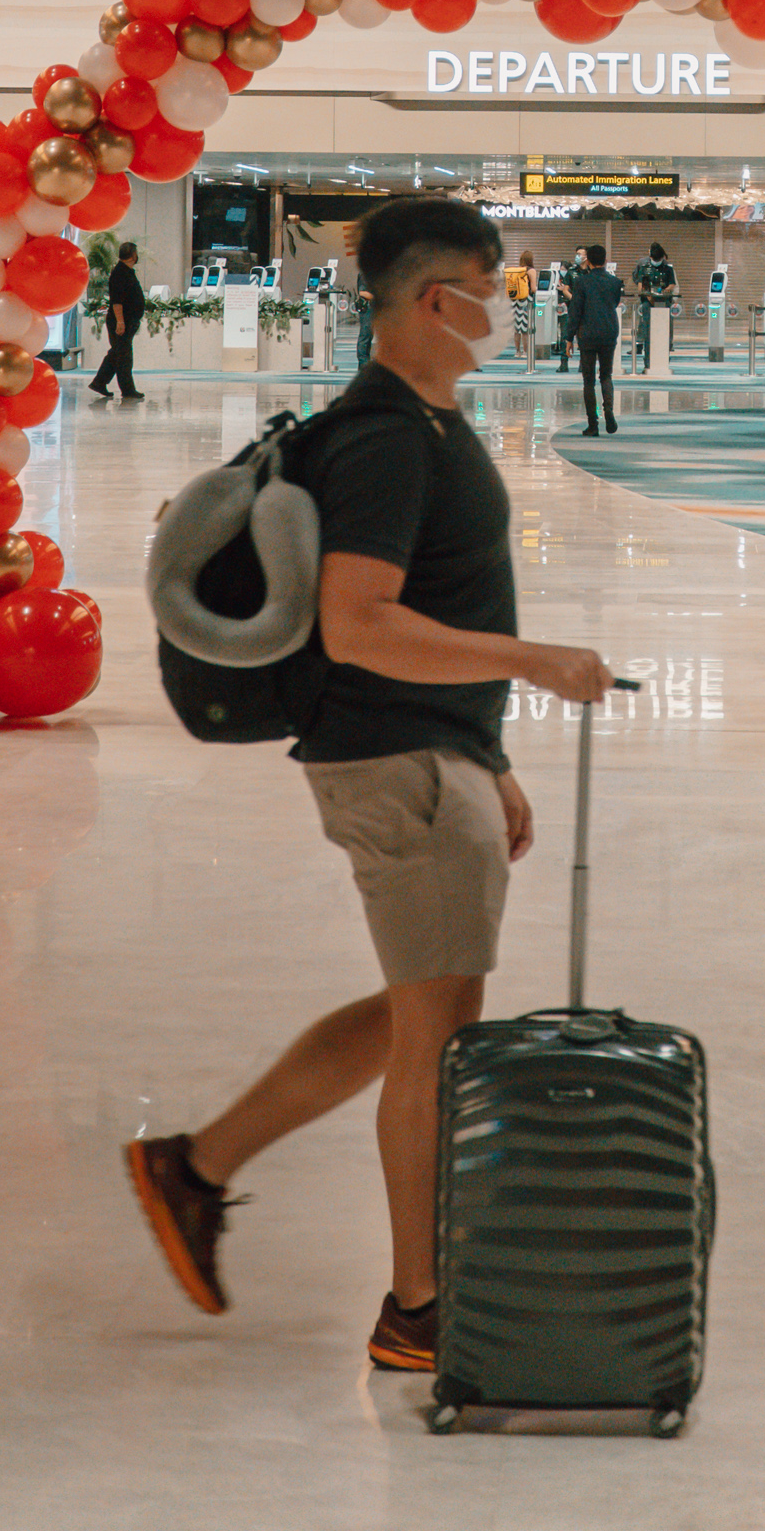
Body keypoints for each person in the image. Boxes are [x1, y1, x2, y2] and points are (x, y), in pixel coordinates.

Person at [124, 196, 618, 1373]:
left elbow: (435, 605)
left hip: (426, 750)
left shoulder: (432, 423)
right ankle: (417, 1306)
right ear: (431, 298)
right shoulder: (387, 436)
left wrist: (488, 753)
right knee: (440, 1041)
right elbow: (359, 626)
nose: (505, 304)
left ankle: (192, 1167)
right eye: (489, 285)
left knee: (419, 1011)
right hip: (391, 754)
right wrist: (532, 664)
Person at [566, 243, 624, 437]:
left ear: (588, 261)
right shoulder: (615, 282)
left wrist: (569, 337)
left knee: (588, 380)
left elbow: (575, 311)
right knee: (606, 376)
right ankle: (609, 410)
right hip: (609, 331)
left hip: (587, 334)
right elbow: (614, 303)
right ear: (605, 261)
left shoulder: (582, 282)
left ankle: (593, 424)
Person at [88, 241, 145, 401]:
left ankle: (99, 382)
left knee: (117, 353)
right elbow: (117, 301)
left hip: (128, 320)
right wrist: (120, 322)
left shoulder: (126, 271)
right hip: (122, 321)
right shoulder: (120, 273)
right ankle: (127, 390)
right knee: (124, 356)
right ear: (133, 255)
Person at [632, 240, 677, 369]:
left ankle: (663, 361)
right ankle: (648, 362)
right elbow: (641, 287)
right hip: (648, 304)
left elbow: (672, 284)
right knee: (648, 333)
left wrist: (666, 291)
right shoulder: (645, 268)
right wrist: (649, 296)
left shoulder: (668, 268)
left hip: (663, 303)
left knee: (664, 333)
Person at [554, 248, 584, 372]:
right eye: (576, 254)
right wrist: (574, 299)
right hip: (570, 307)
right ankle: (563, 363)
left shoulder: (589, 272)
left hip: (584, 310)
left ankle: (583, 364)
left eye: (580, 254)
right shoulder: (571, 272)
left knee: (582, 337)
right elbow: (566, 289)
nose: (577, 256)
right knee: (566, 335)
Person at [505, 248, 536, 360]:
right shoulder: (531, 270)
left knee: (516, 329)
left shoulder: (518, 271)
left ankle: (517, 351)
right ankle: (525, 351)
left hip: (515, 301)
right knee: (525, 329)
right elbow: (533, 288)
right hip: (526, 301)